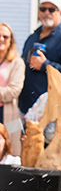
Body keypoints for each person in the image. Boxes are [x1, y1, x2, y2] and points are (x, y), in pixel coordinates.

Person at [19, 0, 61, 116]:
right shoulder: (32, 37)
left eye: (52, 9)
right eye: (43, 9)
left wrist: (46, 66)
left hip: (52, 110)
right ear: (38, 12)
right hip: (26, 107)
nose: (47, 13)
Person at [0, 23, 24, 156]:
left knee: (11, 151)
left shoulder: (17, 62)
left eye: (5, 36)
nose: (1, 39)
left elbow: (14, 91)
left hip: (9, 113)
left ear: (11, 41)